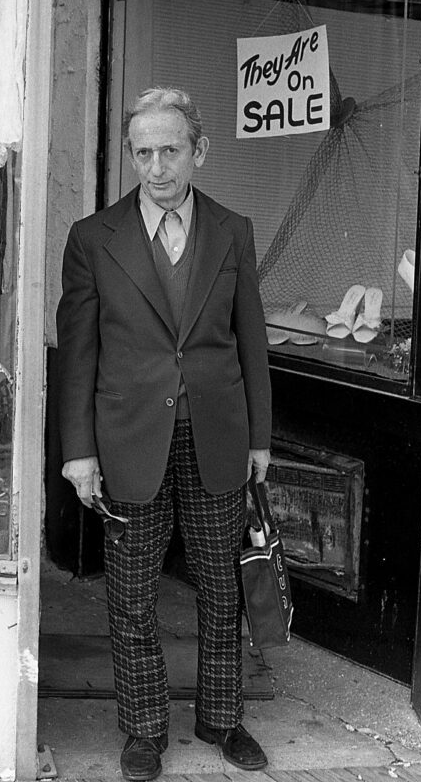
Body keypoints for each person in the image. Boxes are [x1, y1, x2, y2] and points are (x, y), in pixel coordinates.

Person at [56, 87, 272, 781]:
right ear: (131, 154)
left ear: (199, 152)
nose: (156, 167)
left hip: (216, 435)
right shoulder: (94, 239)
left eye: (170, 150)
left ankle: (221, 717)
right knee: (132, 593)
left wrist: (260, 438)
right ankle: (145, 729)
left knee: (220, 586)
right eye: (142, 152)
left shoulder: (232, 229)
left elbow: (252, 343)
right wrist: (78, 453)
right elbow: (79, 354)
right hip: (127, 441)